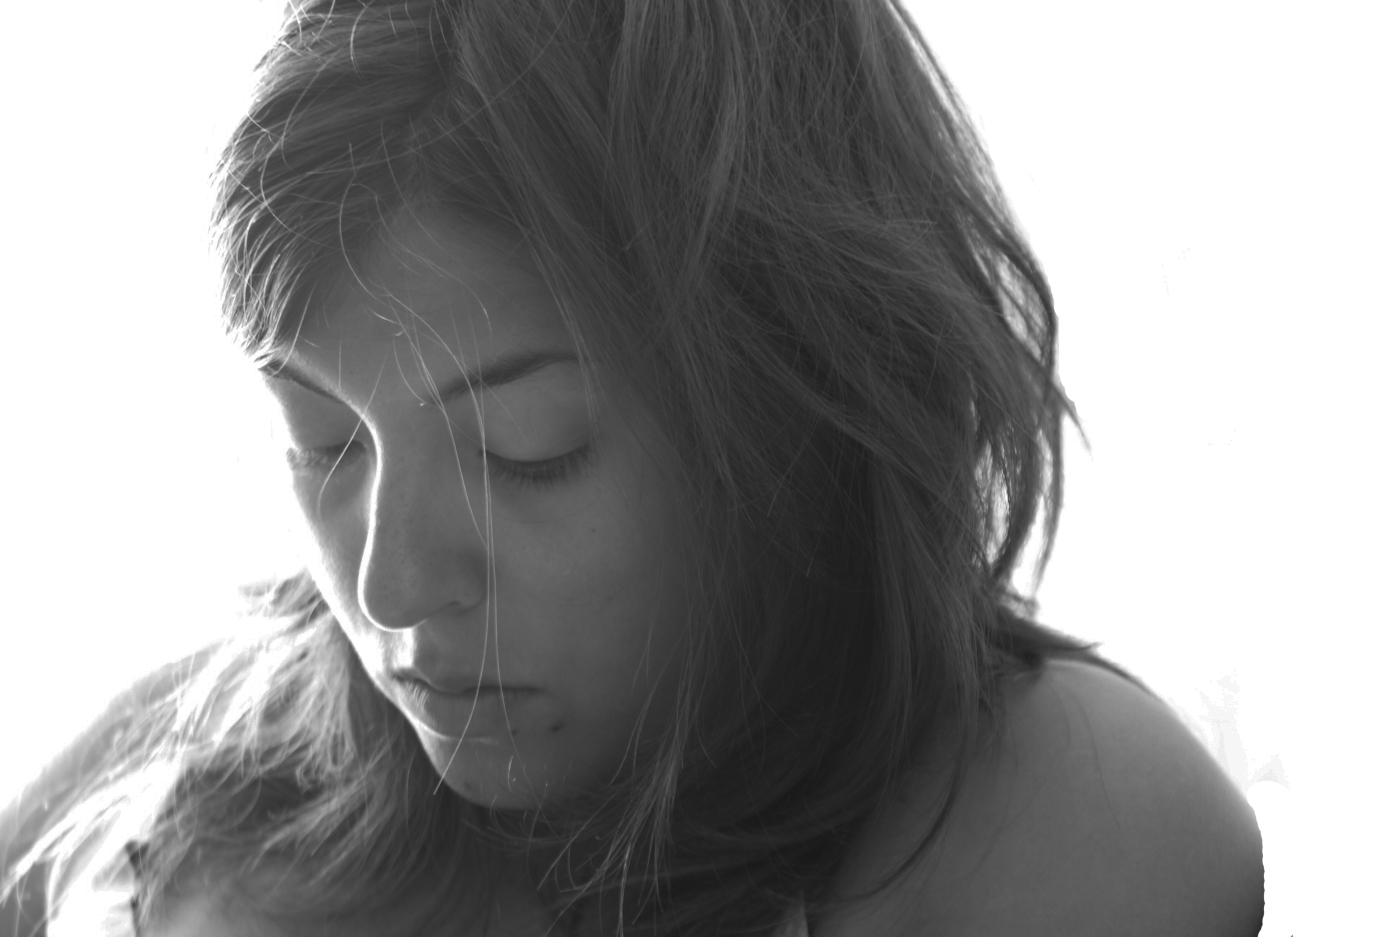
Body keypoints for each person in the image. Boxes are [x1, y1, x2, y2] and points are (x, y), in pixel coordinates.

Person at [0, 0, 1264, 934]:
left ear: (799, 408)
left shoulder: (1058, 804)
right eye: (321, 440)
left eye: (525, 451)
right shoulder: (202, 744)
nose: (386, 584)